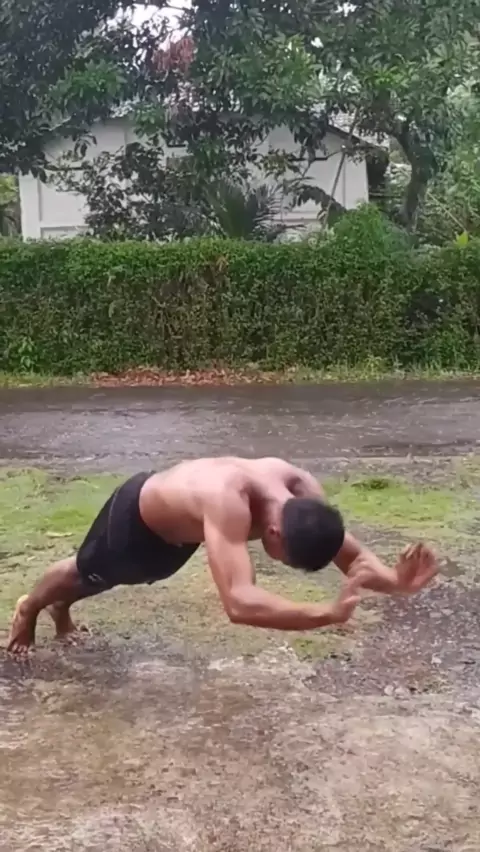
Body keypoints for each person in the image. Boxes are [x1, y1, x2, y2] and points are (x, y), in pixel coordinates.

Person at [7, 456, 437, 655]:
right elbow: (239, 603)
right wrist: (325, 614)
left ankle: (63, 608)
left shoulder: (302, 493)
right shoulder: (229, 500)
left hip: (179, 538)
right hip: (135, 520)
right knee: (86, 571)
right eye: (283, 559)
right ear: (273, 532)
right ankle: (30, 608)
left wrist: (397, 582)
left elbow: (350, 555)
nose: (278, 562)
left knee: (110, 579)